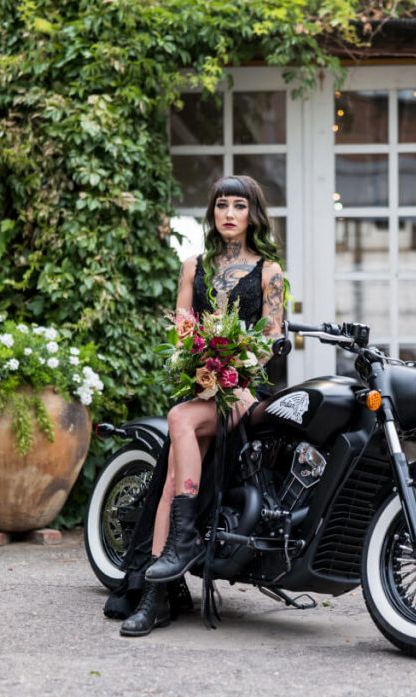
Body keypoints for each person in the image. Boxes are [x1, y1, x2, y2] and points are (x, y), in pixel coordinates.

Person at [104, 174, 285, 637]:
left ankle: (177, 551)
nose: (229, 213)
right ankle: (155, 595)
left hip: (245, 390)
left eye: (239, 207)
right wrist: (200, 365)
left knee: (179, 418)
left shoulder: (269, 273)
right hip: (202, 384)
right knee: (168, 483)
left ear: (252, 215)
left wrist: (239, 372)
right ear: (212, 213)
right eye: (222, 205)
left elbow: (272, 341)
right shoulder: (192, 267)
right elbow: (183, 335)